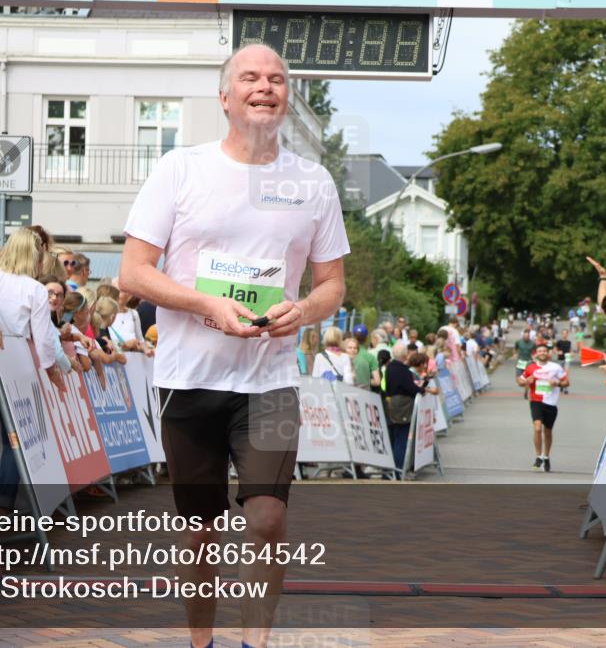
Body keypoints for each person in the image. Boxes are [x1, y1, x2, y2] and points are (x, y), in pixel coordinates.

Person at [119, 42, 349, 648]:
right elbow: (134, 273)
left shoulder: (312, 181)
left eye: (276, 78)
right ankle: (203, 642)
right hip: (188, 378)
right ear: (226, 97)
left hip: (268, 383)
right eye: (250, 77)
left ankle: (255, 643)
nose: (265, 86)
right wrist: (206, 305)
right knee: (199, 532)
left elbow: (333, 285)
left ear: (287, 95)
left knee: (267, 519)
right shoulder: (180, 169)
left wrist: (299, 311)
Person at [0, 229, 65, 512]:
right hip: (13, 370)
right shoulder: (34, 289)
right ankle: (4, 507)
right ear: (35, 255)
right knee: (13, 442)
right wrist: (52, 371)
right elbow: (44, 340)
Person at [516, 343, 569, 472]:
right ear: (536, 354)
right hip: (536, 401)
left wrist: (557, 383)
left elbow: (566, 382)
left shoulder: (555, 367)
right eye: (540, 351)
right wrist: (526, 381)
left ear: (548, 353)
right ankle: (538, 456)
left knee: (548, 432)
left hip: (551, 403)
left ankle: (546, 457)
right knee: (538, 427)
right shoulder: (531, 367)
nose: (542, 353)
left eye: (544, 351)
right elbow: (519, 381)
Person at [384, 341, 427, 471]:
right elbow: (410, 387)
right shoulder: (402, 371)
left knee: (394, 436)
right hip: (402, 407)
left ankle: (393, 468)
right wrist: (421, 390)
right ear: (405, 355)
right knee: (402, 439)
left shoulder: (389, 367)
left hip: (391, 404)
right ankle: (399, 469)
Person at [349, 324, 380, 391]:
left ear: (353, 337)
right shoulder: (371, 357)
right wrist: (365, 380)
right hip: (364, 393)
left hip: (348, 392)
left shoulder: (346, 354)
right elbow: (377, 382)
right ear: (366, 339)